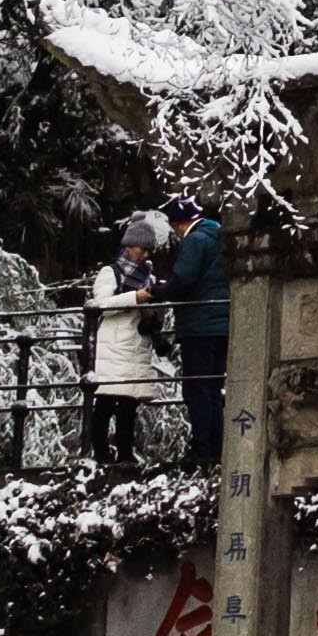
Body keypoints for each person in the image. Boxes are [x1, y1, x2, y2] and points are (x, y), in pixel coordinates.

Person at [85, 210, 175, 476]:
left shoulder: (149, 276)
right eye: (141, 249)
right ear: (129, 246)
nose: (145, 255)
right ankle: (100, 454)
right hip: (113, 347)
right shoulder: (110, 273)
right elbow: (99, 306)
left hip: (137, 347)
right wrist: (135, 297)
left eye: (149, 251)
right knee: (105, 403)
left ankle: (125, 453)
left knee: (128, 405)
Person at [163, 189, 234, 472]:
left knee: (197, 388)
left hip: (199, 325)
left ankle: (203, 448)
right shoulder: (220, 237)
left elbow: (183, 278)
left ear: (179, 222)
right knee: (214, 388)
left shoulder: (195, 240)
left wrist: (160, 291)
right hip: (222, 323)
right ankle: (216, 445)